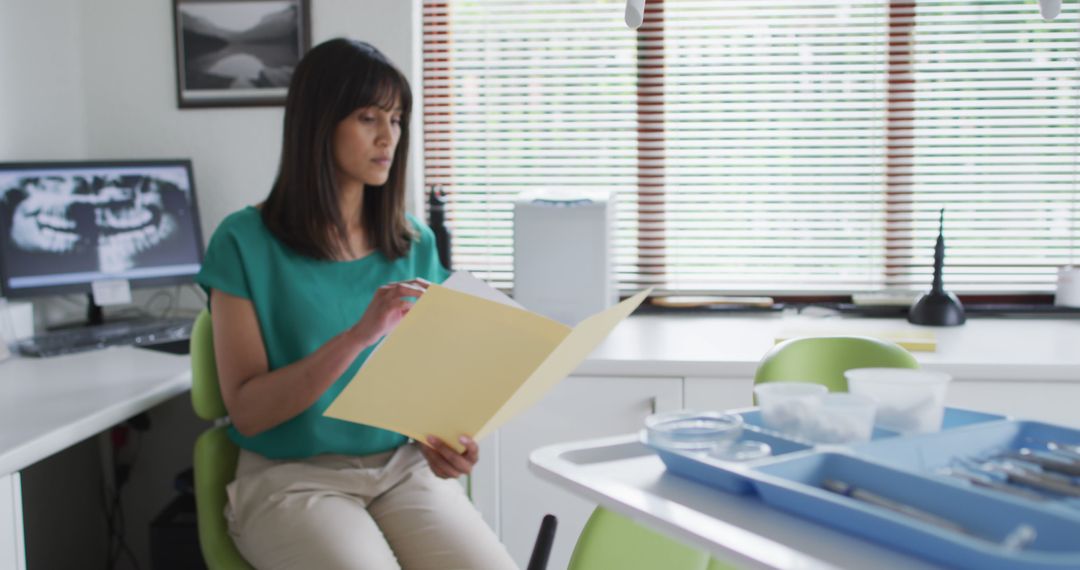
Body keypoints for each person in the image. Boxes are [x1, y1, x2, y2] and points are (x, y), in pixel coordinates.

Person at [196, 38, 518, 570]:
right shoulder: (244, 241)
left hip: (403, 470)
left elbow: (427, 381)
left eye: (396, 118)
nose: (388, 136)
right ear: (319, 125)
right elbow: (248, 414)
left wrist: (446, 439)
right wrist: (358, 335)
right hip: (292, 479)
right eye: (368, 117)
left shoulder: (413, 242)